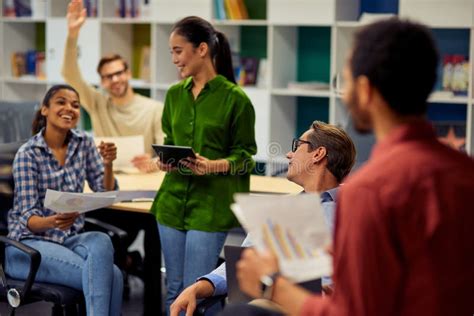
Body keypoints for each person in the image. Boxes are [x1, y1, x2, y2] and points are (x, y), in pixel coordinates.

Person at [229, 18, 474, 316]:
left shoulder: (370, 190)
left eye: (347, 82)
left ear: (366, 90)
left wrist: (272, 287)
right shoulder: (465, 172)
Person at [170, 121, 356, 316]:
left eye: (297, 145)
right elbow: (242, 262)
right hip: (273, 305)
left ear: (318, 154)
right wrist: (199, 287)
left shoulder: (354, 210)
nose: (289, 154)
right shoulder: (281, 210)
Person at [149, 16, 257, 314]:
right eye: (171, 51)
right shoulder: (173, 95)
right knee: (173, 288)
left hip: (209, 208)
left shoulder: (236, 99)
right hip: (171, 204)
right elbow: (171, 140)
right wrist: (166, 162)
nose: (173, 59)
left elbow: (246, 157)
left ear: (201, 49)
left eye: (177, 50)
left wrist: (215, 165)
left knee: (197, 290)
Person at [5, 84, 123, 316]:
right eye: (61, 102)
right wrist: (54, 221)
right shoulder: (28, 154)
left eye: (75, 105)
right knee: (112, 277)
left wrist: (108, 164)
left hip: (66, 240)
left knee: (100, 240)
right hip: (28, 247)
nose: (69, 108)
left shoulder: (83, 144)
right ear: (45, 110)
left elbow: (105, 191)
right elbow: (28, 219)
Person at [62, 0, 164, 172]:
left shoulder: (155, 109)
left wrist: (152, 163)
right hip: (106, 177)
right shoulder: (97, 104)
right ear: (102, 82)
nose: (115, 79)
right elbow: (69, 73)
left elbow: (166, 156)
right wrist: (73, 34)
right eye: (108, 76)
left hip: (142, 178)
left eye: (119, 73)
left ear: (129, 73)